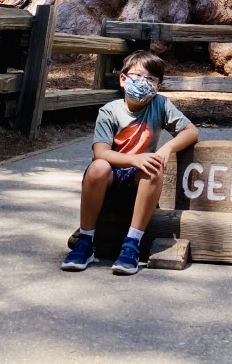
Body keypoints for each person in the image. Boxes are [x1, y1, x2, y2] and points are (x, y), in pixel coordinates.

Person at [62, 49, 200, 276]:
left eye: (150, 78)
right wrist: (133, 159)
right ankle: (85, 242)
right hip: (110, 178)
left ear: (158, 86)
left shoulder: (160, 105)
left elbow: (190, 131)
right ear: (123, 79)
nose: (143, 82)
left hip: (137, 183)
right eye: (137, 76)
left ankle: (131, 245)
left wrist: (166, 148)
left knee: (153, 167)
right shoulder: (110, 111)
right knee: (99, 167)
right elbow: (101, 152)